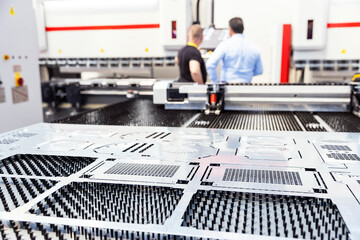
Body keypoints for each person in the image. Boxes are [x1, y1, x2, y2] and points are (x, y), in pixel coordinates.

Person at [206, 17, 263, 83]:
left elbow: (210, 64)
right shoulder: (254, 47)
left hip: (228, 87)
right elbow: (259, 71)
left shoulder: (225, 45)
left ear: (230, 29)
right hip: (246, 87)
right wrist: (246, 75)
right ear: (243, 29)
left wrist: (215, 82)